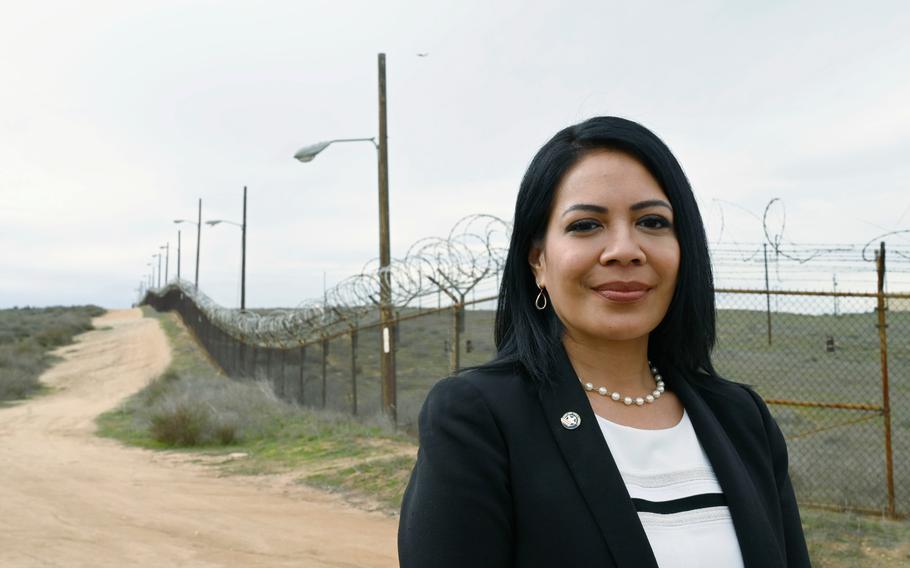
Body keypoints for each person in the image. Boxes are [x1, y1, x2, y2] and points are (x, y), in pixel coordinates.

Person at [398, 116, 811, 567]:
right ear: (538, 260)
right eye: (586, 225)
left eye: (652, 221)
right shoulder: (479, 420)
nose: (624, 249)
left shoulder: (741, 418)